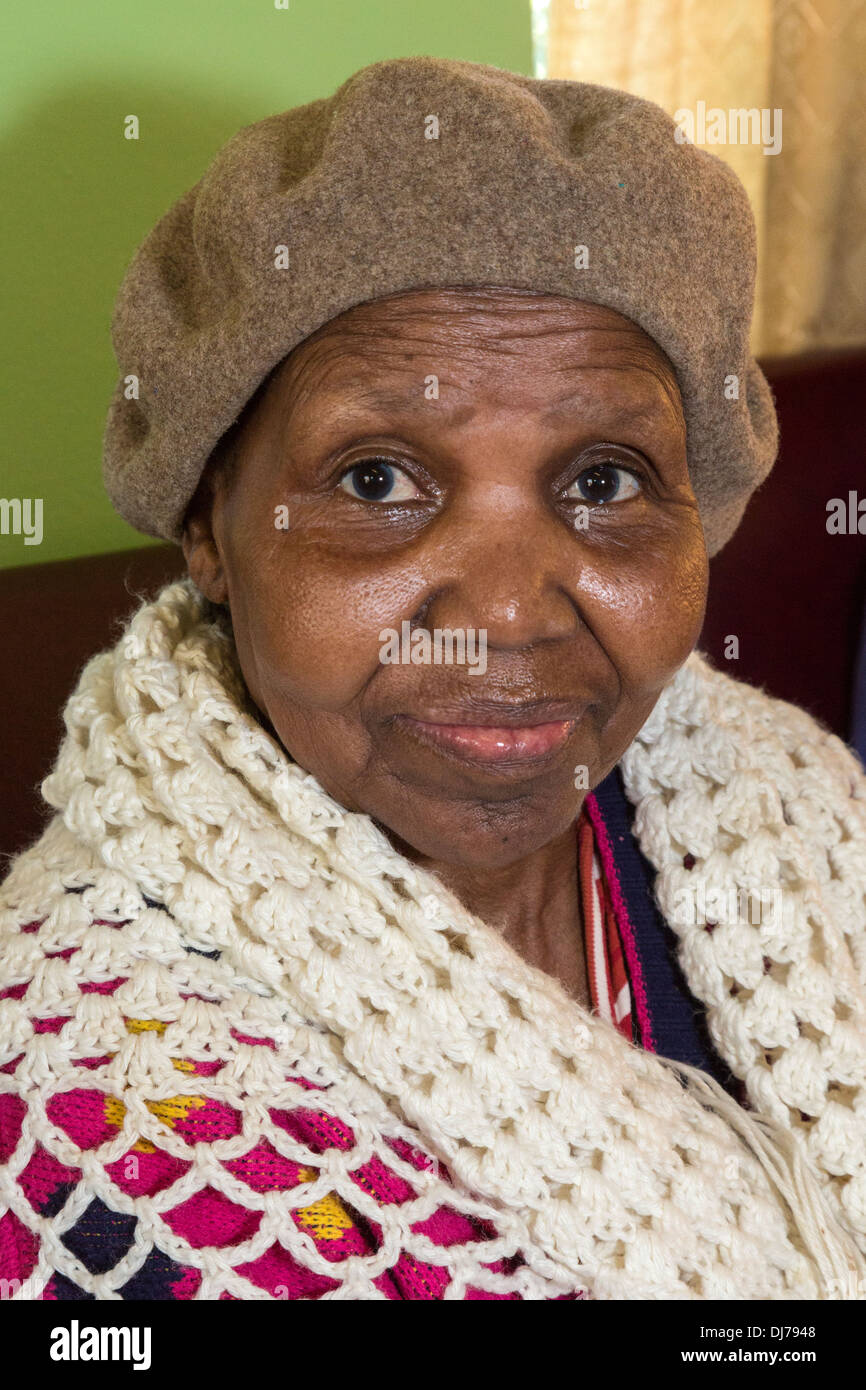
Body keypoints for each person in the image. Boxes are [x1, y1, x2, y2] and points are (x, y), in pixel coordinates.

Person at [2, 55, 865, 1301]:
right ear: (209, 526)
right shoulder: (97, 1122)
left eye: (603, 481)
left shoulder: (796, 801)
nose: (507, 613)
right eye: (374, 481)